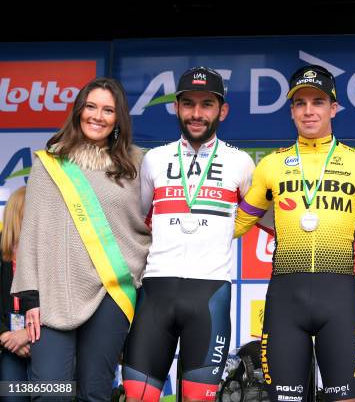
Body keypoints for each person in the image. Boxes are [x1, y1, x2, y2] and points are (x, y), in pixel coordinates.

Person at [233, 64, 355, 402]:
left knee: (347, 398)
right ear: (292, 110)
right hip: (284, 302)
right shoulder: (271, 165)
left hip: (339, 299)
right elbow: (236, 225)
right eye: (301, 103)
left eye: (318, 102)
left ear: (333, 108)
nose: (309, 111)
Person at [10, 77, 151, 402]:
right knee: (50, 392)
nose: (97, 116)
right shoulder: (50, 163)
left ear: (119, 119)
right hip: (54, 293)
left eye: (108, 110)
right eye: (91, 107)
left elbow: (151, 221)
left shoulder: (136, 164)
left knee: (95, 392)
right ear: (78, 111)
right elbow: (31, 233)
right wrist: (30, 298)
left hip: (111, 292)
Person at [121, 66, 255, 402]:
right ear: (176, 107)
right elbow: (135, 222)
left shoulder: (241, 163)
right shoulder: (153, 160)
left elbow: (267, 221)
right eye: (188, 104)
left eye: (206, 104)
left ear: (221, 110)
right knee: (137, 396)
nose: (197, 114)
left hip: (209, 296)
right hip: (155, 292)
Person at [1, 186, 29, 402]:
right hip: (9, 346)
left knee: (57, 392)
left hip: (47, 344)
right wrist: (5, 336)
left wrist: (27, 335)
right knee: (12, 397)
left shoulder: (50, 254)